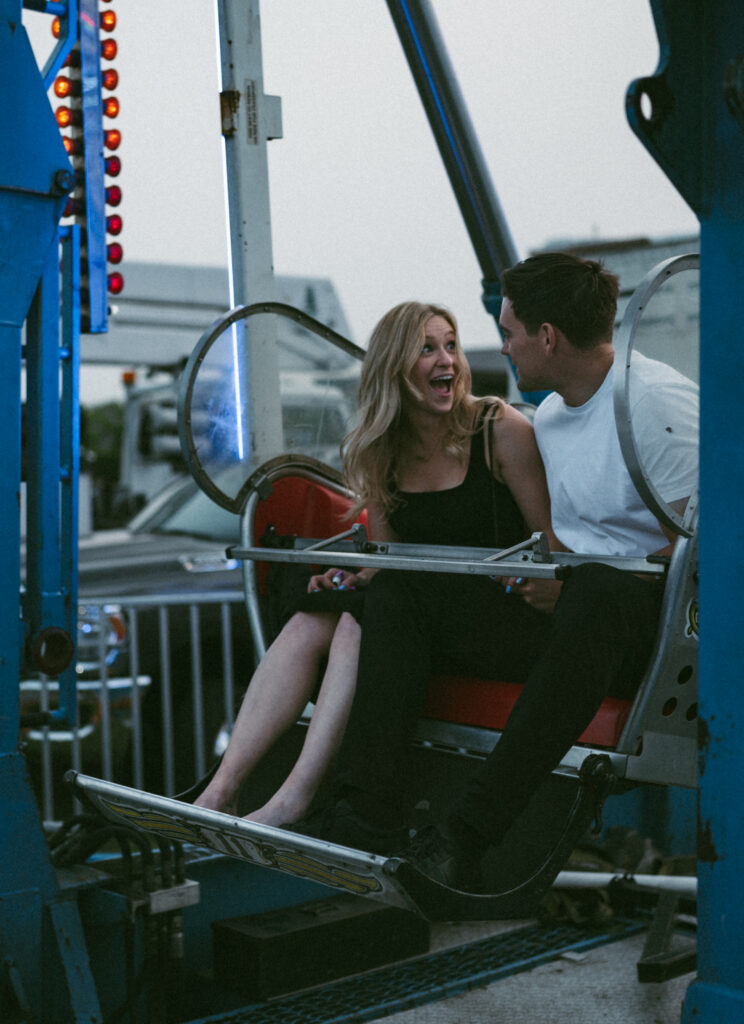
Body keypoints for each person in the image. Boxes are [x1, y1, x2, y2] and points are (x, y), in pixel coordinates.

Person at [314, 253, 698, 890]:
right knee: (404, 590)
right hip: (569, 621)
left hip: (650, 633)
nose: (502, 347)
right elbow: (551, 538)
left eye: (509, 332)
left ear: (546, 336)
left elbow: (701, 560)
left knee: (598, 590)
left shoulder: (656, 404)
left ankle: (469, 832)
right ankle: (365, 808)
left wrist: (572, 582)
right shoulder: (549, 418)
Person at [194, 299, 556, 827]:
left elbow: (551, 544)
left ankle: (302, 795)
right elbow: (389, 563)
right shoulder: (384, 451)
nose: (447, 361)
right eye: (427, 349)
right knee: (316, 614)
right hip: (420, 618)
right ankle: (221, 789)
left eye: (451, 346)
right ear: (394, 366)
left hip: (504, 617)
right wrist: (352, 576)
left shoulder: (497, 427)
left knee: (365, 613)